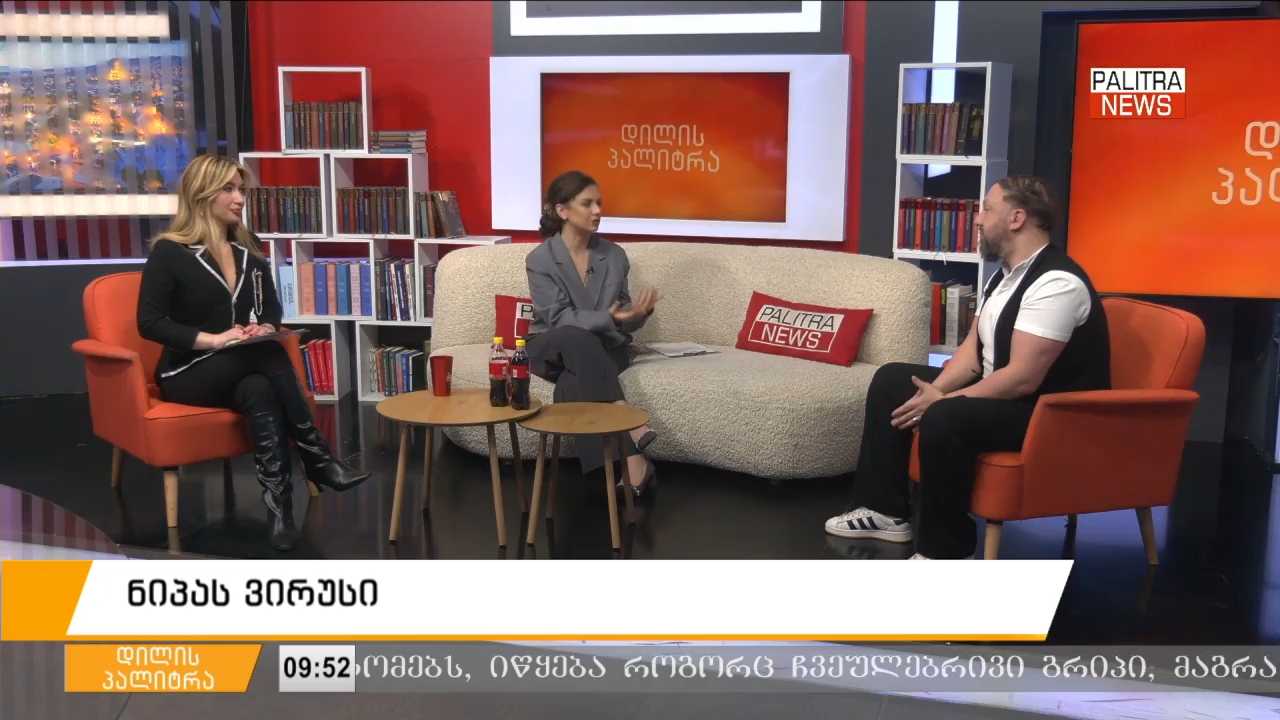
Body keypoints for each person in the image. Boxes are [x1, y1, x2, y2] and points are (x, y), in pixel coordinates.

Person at [824, 176, 1110, 559]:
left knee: (946, 416)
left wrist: (943, 402)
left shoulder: (1057, 283)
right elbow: (971, 355)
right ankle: (885, 511)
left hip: (1048, 415)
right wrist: (935, 390)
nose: (977, 219)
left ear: (1017, 218)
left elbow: (1022, 378)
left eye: (987, 209)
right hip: (1006, 398)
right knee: (892, 380)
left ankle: (947, 552)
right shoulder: (1004, 277)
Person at [136, 154, 370, 552]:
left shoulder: (249, 249)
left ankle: (280, 513)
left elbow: (272, 311)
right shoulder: (170, 252)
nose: (240, 198)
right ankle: (317, 457)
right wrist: (214, 340)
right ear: (202, 193)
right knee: (267, 357)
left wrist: (264, 328)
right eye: (228, 189)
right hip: (187, 372)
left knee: (260, 387)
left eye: (241, 189)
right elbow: (150, 323)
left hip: (240, 365)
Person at [525, 170, 660, 495]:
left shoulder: (614, 256)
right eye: (587, 204)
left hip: (603, 351)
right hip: (551, 347)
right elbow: (557, 318)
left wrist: (637, 315)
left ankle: (619, 469)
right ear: (562, 210)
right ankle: (627, 420)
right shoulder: (540, 259)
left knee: (572, 383)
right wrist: (607, 317)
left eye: (599, 203)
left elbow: (621, 316)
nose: (598, 211)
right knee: (574, 334)